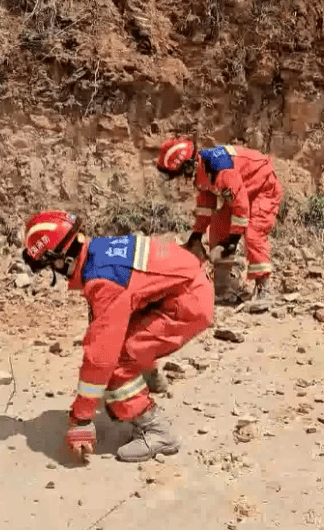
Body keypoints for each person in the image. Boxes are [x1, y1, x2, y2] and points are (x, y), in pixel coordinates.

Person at [21, 210, 214, 463]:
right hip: (184, 288)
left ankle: (156, 430)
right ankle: (146, 374)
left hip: (187, 303)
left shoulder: (103, 280)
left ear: (61, 259)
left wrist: (81, 418)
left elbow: (101, 357)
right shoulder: (99, 253)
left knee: (117, 362)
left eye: (50, 266)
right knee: (122, 344)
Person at [156, 137, 284, 305]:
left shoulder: (220, 168)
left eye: (179, 175)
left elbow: (241, 206)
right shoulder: (202, 169)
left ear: (188, 166)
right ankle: (223, 287)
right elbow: (205, 205)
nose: (180, 180)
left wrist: (231, 242)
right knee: (218, 229)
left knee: (254, 235)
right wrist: (197, 235)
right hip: (240, 191)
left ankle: (263, 290)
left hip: (262, 187)